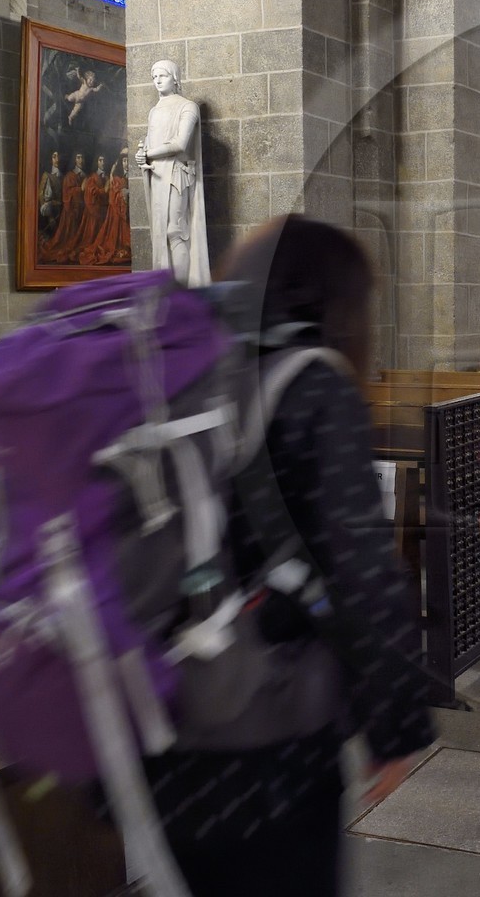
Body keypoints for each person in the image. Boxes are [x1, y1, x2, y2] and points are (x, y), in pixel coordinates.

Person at [143, 215, 436, 895]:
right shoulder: (314, 384)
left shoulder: (187, 375)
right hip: (266, 740)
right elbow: (363, 569)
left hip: (163, 723)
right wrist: (393, 727)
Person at [137, 59, 210, 287]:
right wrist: (143, 156)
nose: (157, 80)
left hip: (177, 175)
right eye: (154, 77)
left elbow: (180, 143)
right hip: (157, 175)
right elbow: (149, 144)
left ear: (175, 78)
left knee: (175, 232)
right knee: (160, 234)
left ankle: (181, 292)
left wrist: (150, 154)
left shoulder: (188, 107)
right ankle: (167, 291)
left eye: (163, 75)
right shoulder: (154, 111)